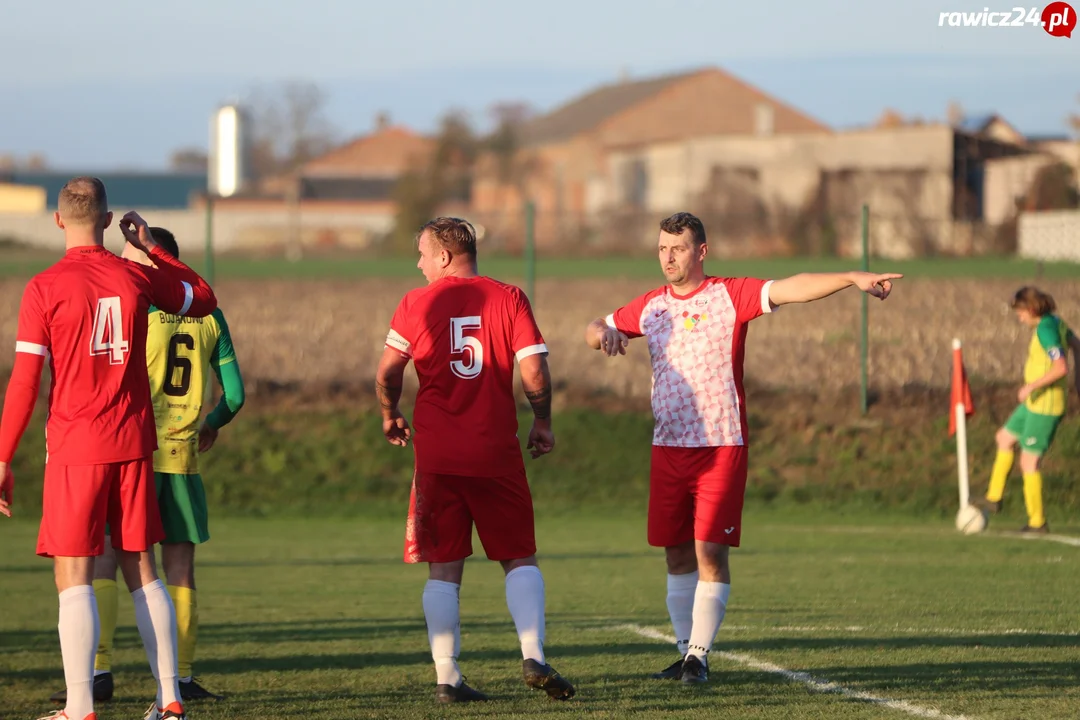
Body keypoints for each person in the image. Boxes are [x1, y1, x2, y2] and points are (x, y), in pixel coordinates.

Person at [584, 211, 901, 684]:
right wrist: (603, 334)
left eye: (678, 248)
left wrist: (851, 277)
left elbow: (793, 287)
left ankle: (699, 656)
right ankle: (683, 654)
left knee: (709, 550)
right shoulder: (651, 306)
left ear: (701, 252)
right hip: (667, 446)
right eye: (662, 249)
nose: (668, 257)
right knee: (675, 554)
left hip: (721, 444)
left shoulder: (730, 295)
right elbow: (594, 326)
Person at [0, 177, 217, 720]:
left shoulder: (44, 287)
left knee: (73, 573)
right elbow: (204, 299)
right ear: (107, 219)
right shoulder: (135, 274)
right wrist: (152, 246)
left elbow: (25, 383)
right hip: (132, 444)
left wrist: (2, 457)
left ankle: (80, 707)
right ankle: (169, 698)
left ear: (57, 220)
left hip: (75, 447)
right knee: (141, 566)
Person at [374, 217, 575, 704]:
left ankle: (447, 678)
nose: (419, 263)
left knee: (443, 565)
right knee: (518, 556)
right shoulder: (508, 298)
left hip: (438, 456)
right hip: (495, 451)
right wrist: (542, 421)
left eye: (423, 253)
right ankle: (533, 655)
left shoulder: (415, 303)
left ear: (445, 256)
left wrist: (389, 413)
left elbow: (387, 373)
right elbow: (535, 372)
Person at [47, 228, 245, 707]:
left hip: (127, 453)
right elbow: (235, 395)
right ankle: (181, 678)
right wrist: (211, 423)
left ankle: (99, 671)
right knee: (176, 568)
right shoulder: (209, 316)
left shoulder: (135, 309)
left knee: (108, 559)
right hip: (182, 458)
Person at [979, 286, 1079, 532]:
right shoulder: (1054, 321)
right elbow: (1075, 341)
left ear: (1032, 309)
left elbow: (1059, 368)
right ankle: (994, 498)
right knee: (1004, 438)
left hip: (1045, 404)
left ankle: (1037, 522)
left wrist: (1031, 386)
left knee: (1029, 462)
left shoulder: (1046, 330)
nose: (1018, 317)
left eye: (1020, 312)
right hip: (1034, 402)